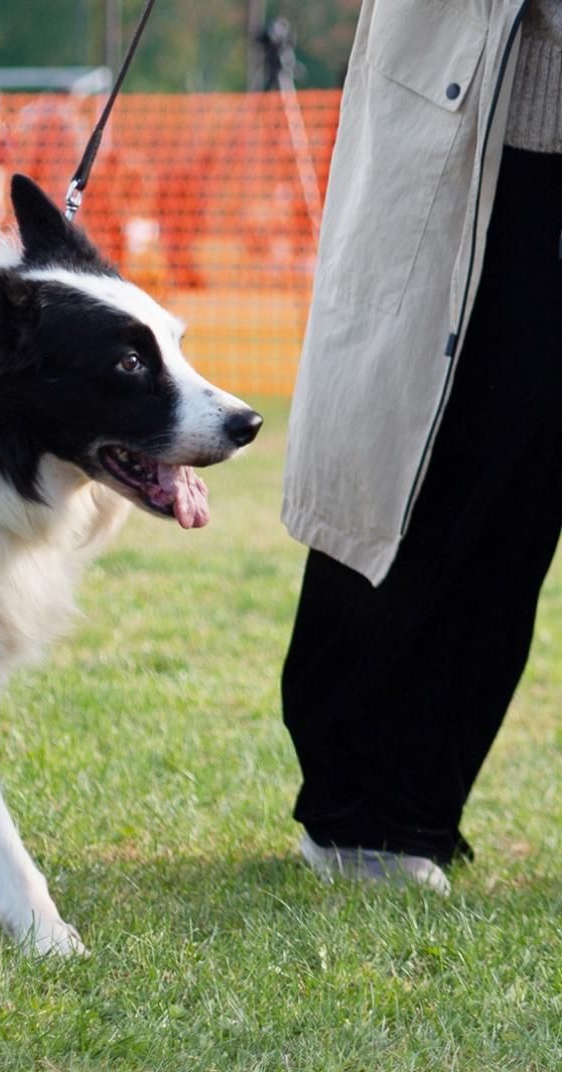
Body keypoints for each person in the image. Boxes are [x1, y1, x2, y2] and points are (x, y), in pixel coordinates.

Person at [280, 0, 562, 892]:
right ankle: (364, 811)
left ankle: (415, 807)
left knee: (527, 487)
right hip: (473, 114)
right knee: (420, 463)